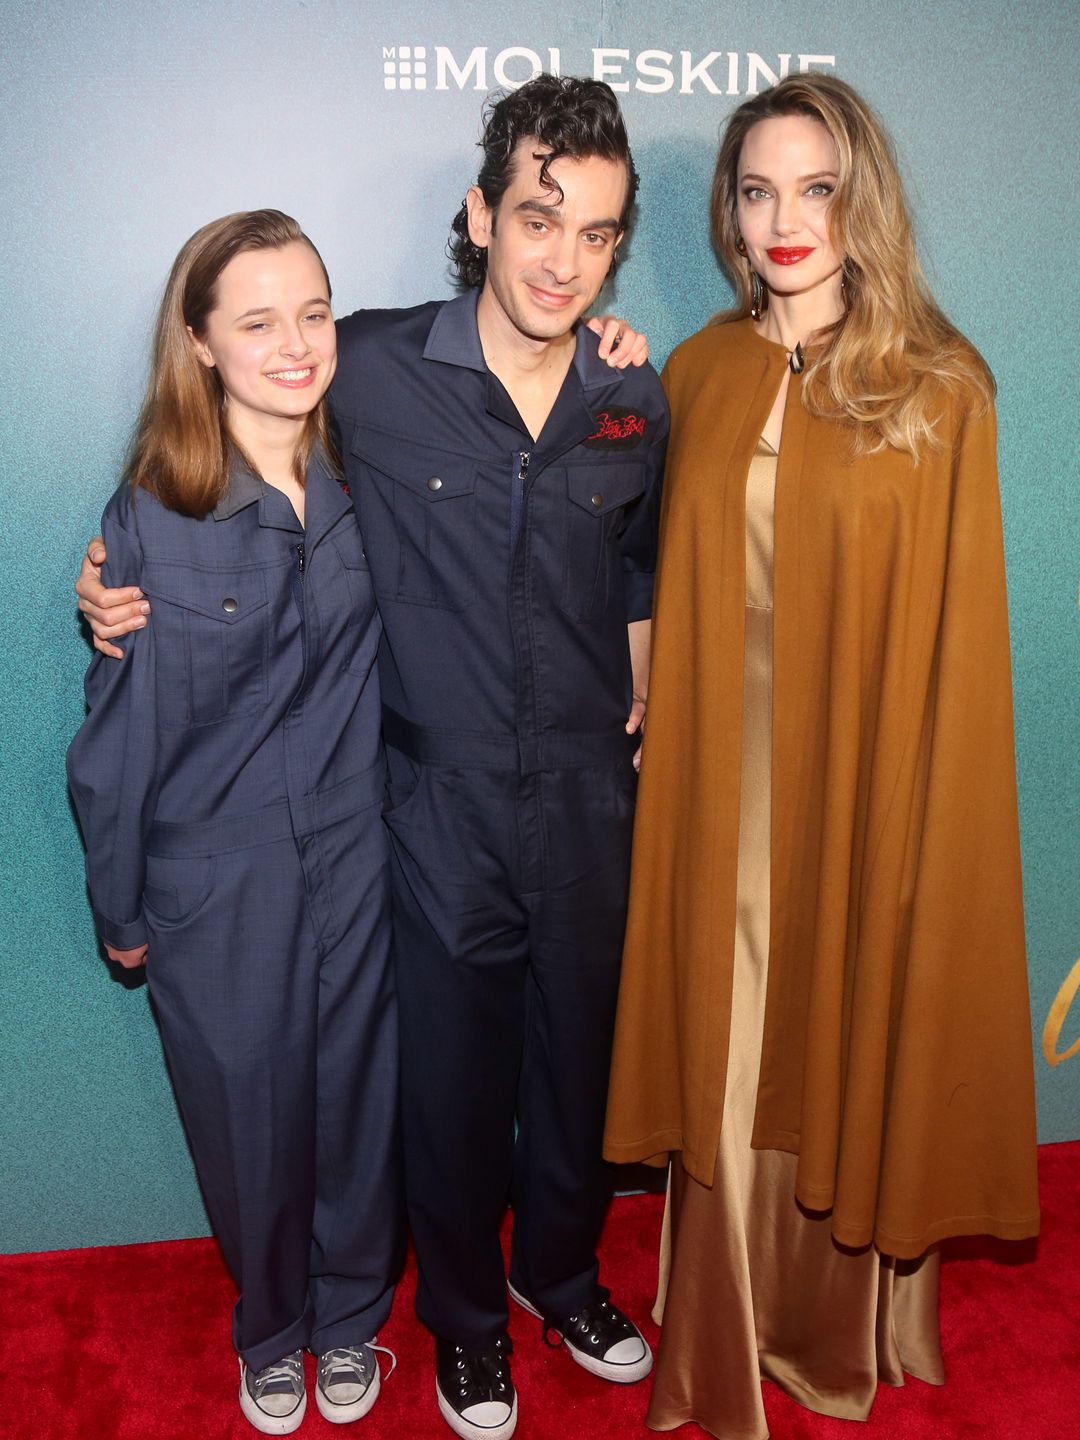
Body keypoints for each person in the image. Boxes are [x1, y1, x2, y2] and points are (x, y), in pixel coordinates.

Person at [75, 77, 665, 1440]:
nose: (562, 257)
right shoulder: (378, 369)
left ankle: (548, 1278)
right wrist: (116, 584)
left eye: (595, 233)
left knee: (572, 1068)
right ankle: (439, 1327)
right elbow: (205, 499)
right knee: (431, 1092)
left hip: (565, 801)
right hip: (420, 812)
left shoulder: (630, 388)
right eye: (536, 217)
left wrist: (641, 677)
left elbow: (641, 562)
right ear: (481, 214)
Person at [603, 74, 1040, 1438]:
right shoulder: (698, 370)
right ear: (728, 213)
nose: (785, 220)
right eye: (757, 190)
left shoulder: (941, 385)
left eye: (818, 188)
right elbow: (640, 567)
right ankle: (727, 1343)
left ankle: (837, 1320)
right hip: (719, 786)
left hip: (860, 789)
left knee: (847, 1034)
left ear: (863, 202)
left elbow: (953, 641)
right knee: (732, 1056)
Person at [66, 212, 405, 1433]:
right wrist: (123, 906)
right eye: (256, 321)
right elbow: (117, 745)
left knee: (363, 1101)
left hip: (361, 854)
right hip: (216, 879)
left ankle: (353, 1314)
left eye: (313, 312)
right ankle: (272, 1323)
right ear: (200, 342)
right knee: (247, 1116)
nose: (296, 343)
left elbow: (499, 348)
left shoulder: (376, 466)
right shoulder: (154, 513)